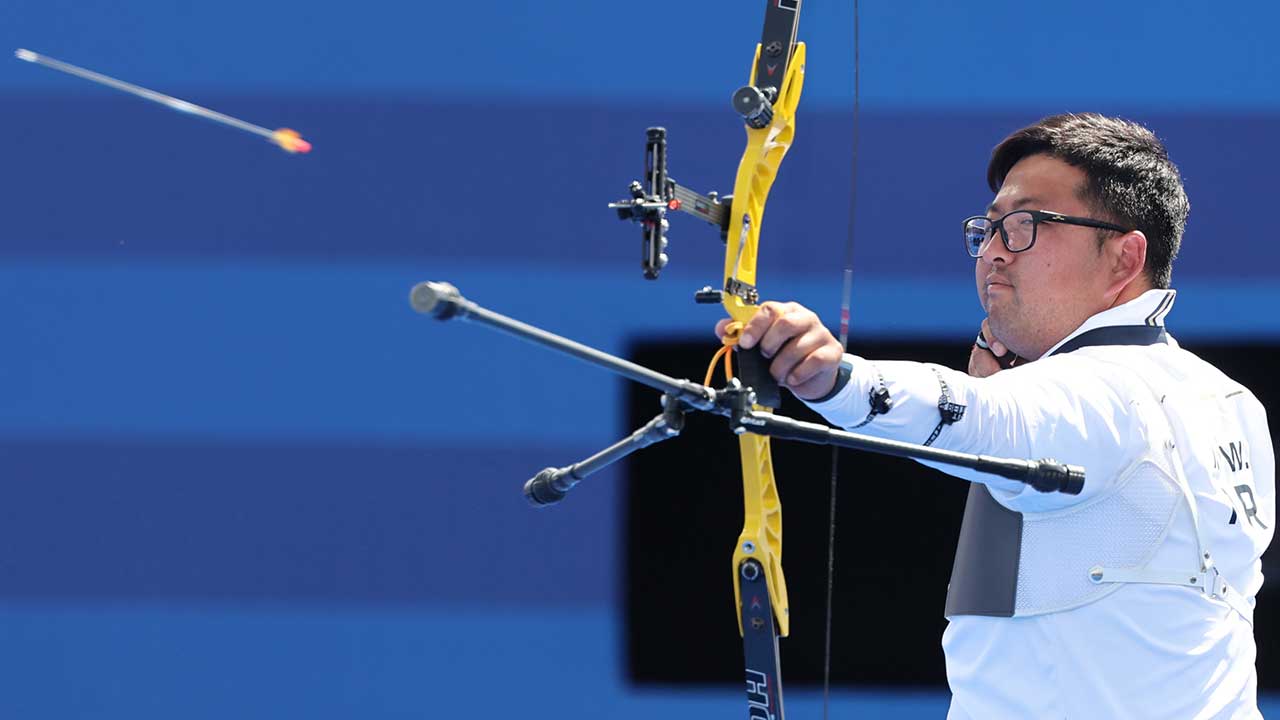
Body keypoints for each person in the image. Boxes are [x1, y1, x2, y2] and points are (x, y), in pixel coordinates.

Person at [718, 113, 1275, 718]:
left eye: (1023, 226)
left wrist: (835, 378)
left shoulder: (1108, 392)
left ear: (1123, 258)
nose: (991, 253)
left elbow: (980, 416)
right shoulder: (1229, 401)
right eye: (987, 229)